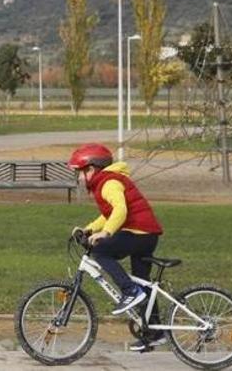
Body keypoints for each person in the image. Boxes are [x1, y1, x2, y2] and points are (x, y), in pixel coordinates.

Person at [68, 143, 165, 352]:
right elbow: (108, 214)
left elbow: (120, 211)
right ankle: (154, 332)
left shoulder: (109, 182)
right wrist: (89, 229)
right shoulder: (107, 181)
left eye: (79, 173)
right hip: (145, 234)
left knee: (100, 250)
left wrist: (106, 233)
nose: (78, 178)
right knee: (144, 283)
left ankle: (129, 290)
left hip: (140, 233)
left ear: (91, 169)